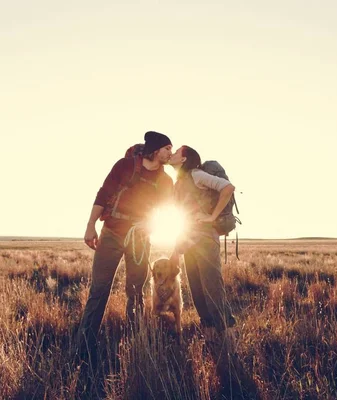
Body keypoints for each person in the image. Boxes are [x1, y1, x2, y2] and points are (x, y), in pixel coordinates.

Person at [75, 131, 174, 367]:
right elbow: (104, 193)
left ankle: (134, 346)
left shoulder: (166, 181)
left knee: (136, 293)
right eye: (168, 148)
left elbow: (165, 212)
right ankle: (82, 349)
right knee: (98, 291)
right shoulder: (125, 166)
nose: (171, 153)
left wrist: (148, 227)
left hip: (139, 239)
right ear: (156, 150)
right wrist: (90, 226)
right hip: (111, 233)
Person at [169, 145, 237, 333]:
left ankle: (226, 329)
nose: (172, 154)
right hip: (188, 238)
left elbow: (228, 188)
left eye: (176, 152)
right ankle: (209, 329)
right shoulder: (178, 183)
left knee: (211, 286)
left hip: (205, 236)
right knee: (196, 288)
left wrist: (212, 217)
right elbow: (181, 217)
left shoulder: (195, 175)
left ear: (183, 159)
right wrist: (176, 249)